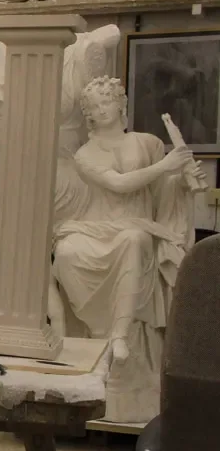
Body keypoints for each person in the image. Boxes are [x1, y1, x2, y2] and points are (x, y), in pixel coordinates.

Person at [52, 76, 206, 421]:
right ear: (88, 114)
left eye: (107, 102)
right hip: (96, 226)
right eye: (94, 106)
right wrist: (166, 165)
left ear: (121, 104)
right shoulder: (84, 155)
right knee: (66, 252)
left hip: (138, 226)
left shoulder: (148, 142)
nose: (101, 109)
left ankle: (119, 336)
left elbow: (162, 191)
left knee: (133, 241)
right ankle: (97, 334)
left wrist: (183, 180)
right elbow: (118, 184)